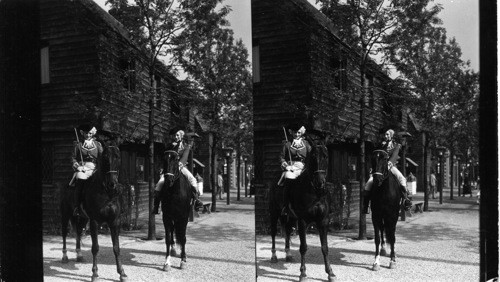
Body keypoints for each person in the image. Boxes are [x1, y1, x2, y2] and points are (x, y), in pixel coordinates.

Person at [152, 129, 203, 214]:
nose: (176, 137)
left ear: (182, 136)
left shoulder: (186, 146)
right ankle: (156, 206)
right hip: (170, 168)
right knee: (159, 183)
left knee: (193, 180)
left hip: (181, 167)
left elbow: (185, 158)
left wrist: (179, 165)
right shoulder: (170, 146)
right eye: (175, 135)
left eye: (178, 135)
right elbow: (167, 156)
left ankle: (197, 200)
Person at [362, 129, 412, 214]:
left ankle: (405, 200)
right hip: (380, 168)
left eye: (387, 134)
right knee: (368, 183)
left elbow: (394, 156)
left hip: (391, 166)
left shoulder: (396, 145)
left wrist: (389, 164)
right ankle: (366, 206)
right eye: (385, 135)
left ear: (391, 135)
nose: (386, 136)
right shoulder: (381, 145)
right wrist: (373, 167)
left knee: (402, 179)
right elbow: (376, 156)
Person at [278, 125, 311, 217]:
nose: (297, 134)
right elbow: (281, 157)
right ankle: (286, 206)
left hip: (303, 168)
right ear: (292, 132)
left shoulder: (306, 144)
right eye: (295, 132)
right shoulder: (287, 144)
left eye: (299, 132)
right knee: (288, 177)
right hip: (291, 167)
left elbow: (311, 156)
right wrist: (286, 166)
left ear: (302, 133)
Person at [71, 124, 103, 217]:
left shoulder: (98, 145)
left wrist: (99, 167)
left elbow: (101, 157)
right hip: (83, 168)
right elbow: (73, 158)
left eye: (89, 133)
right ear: (82, 133)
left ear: (92, 133)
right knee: (80, 179)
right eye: (86, 133)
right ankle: (77, 206)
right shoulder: (78, 144)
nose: (88, 135)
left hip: (95, 168)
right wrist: (78, 167)